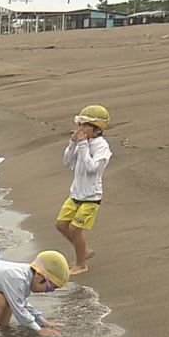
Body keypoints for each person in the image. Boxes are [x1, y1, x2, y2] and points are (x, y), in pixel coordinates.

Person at [56, 105, 112, 275]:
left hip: (91, 197)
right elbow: (67, 162)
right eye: (80, 125)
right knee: (61, 225)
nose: (81, 129)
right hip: (76, 193)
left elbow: (91, 168)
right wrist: (73, 143)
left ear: (98, 128)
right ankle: (84, 250)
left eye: (85, 125)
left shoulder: (101, 146)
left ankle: (81, 264)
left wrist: (82, 146)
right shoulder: (82, 143)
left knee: (75, 229)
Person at [0, 250, 70, 336]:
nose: (48, 291)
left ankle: (4, 327)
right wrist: (39, 330)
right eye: (50, 288)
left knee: (10, 298)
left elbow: (23, 302)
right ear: (39, 276)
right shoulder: (17, 279)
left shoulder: (26, 275)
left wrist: (43, 322)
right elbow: (19, 309)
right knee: (0, 300)